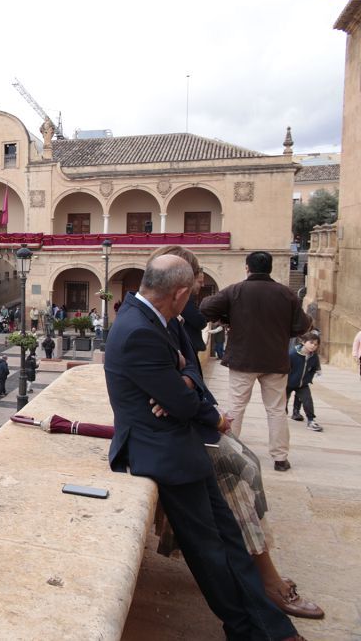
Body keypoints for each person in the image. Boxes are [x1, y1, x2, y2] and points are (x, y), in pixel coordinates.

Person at [105, 254, 301, 641]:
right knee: (211, 552)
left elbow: (190, 373)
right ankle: (252, 629)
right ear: (178, 293)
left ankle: (268, 628)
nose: (193, 301)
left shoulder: (152, 318)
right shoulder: (140, 330)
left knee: (227, 541)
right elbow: (180, 402)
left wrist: (184, 382)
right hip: (160, 450)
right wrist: (205, 409)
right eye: (192, 294)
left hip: (178, 444)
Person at [200, 251, 312, 471]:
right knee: (277, 410)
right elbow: (302, 326)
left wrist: (227, 318)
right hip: (275, 360)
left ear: (247, 268)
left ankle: (231, 453)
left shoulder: (236, 290)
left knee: (236, 408)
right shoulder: (286, 294)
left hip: (243, 359)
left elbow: (205, 308)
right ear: (269, 268)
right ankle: (280, 458)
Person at [286, 331, 323, 432]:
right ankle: (281, 417)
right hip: (287, 384)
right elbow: (285, 369)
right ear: (303, 342)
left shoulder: (314, 356)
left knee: (308, 401)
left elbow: (314, 368)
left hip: (302, 384)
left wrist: (308, 379)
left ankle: (311, 421)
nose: (313, 346)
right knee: (282, 402)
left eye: (315, 344)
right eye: (311, 343)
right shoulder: (292, 354)